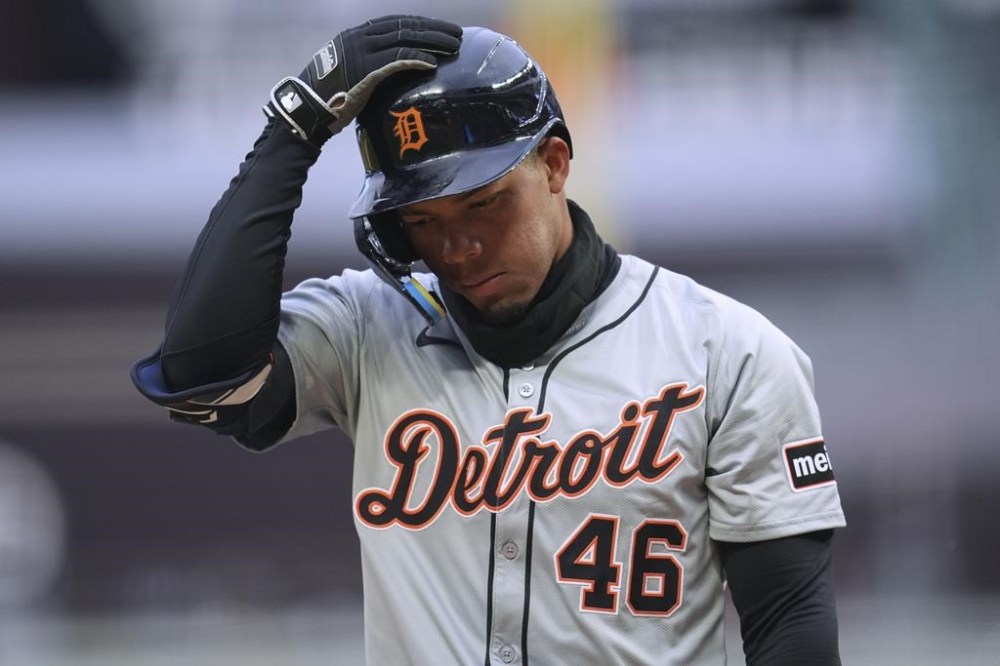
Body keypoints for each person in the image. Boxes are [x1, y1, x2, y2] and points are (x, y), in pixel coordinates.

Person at [131, 15, 846, 665]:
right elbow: (204, 371)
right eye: (424, 220)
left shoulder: (727, 351)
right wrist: (292, 130)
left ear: (556, 164)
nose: (460, 246)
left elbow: (788, 617)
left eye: (484, 203)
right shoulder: (365, 326)